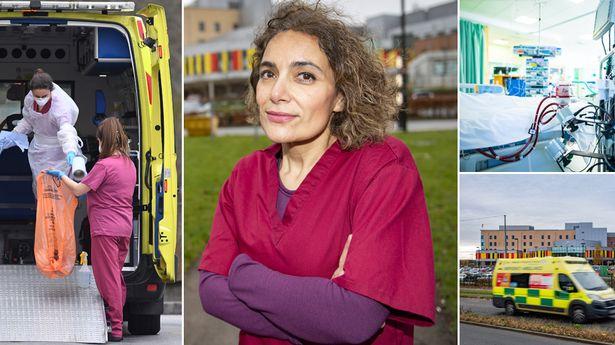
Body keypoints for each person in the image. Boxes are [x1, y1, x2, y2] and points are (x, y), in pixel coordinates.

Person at [198, 1, 435, 344]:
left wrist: (242, 273)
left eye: (304, 76)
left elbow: (354, 318)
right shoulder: (245, 175)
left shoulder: (383, 167)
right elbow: (209, 291)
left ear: (340, 96)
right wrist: (316, 313)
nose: (277, 93)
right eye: (268, 73)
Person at [46, 117, 136, 342]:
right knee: (115, 276)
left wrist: (62, 177)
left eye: (98, 140)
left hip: (105, 228)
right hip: (124, 228)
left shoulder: (103, 166)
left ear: (102, 140)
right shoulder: (129, 164)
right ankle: (113, 317)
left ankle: (115, 327)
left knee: (106, 278)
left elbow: (78, 189)